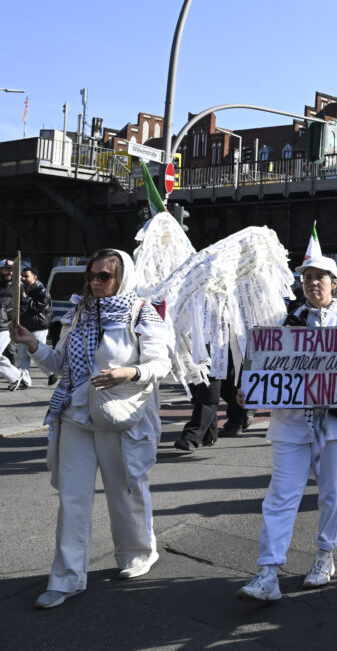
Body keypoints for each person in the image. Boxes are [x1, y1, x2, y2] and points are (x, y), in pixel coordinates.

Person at [11, 249, 168, 609]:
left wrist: (130, 372)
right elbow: (59, 363)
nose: (96, 283)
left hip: (119, 414)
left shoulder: (142, 311)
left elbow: (161, 362)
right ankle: (66, 578)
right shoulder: (78, 312)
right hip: (74, 413)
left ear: (121, 277)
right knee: (72, 499)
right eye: (92, 276)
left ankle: (137, 554)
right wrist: (32, 343)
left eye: (104, 276)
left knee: (124, 490)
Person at [236, 255, 337, 603]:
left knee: (332, 494)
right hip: (292, 423)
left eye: (321, 277)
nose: (313, 283)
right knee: (280, 496)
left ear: (335, 283)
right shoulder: (285, 322)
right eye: (307, 278)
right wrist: (250, 390)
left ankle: (324, 556)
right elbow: (262, 365)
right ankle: (268, 572)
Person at [14, 265, 53, 390]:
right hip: (25, 326)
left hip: (38, 328)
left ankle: (51, 373)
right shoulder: (24, 288)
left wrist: (25, 298)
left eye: (26, 276)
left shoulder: (41, 291)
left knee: (36, 354)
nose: (23, 278)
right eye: (22, 276)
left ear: (34, 277)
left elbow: (38, 307)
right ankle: (24, 381)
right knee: (21, 355)